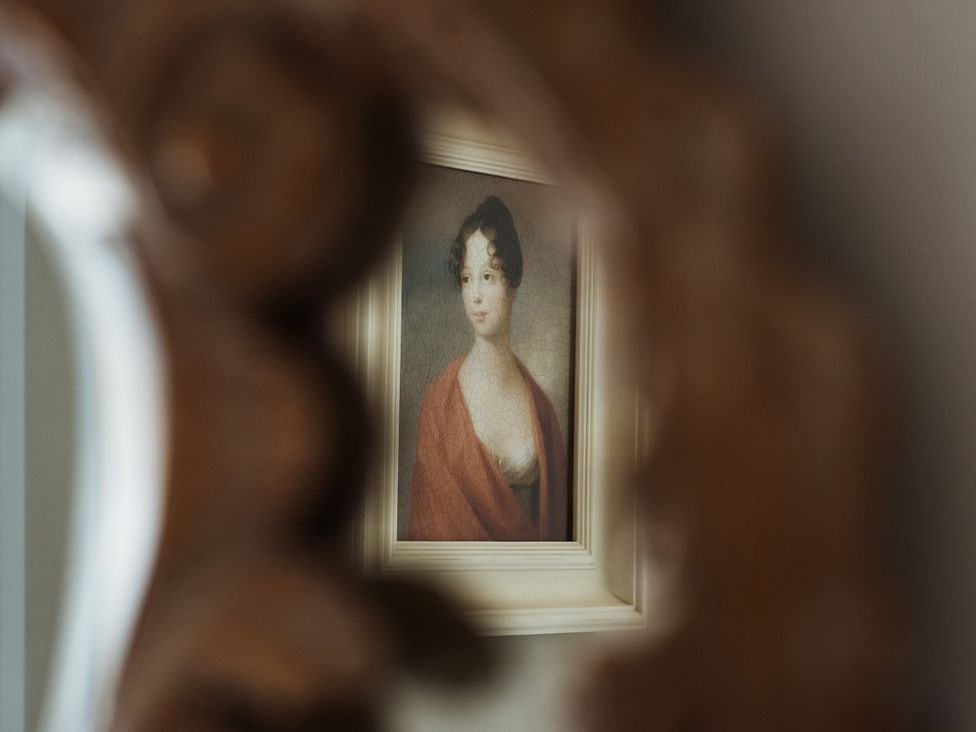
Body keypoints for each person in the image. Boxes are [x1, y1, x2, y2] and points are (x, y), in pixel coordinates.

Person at [408, 195, 568, 541]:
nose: (476, 295)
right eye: (467, 279)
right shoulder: (439, 404)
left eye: (488, 276)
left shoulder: (541, 410)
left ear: (512, 283)